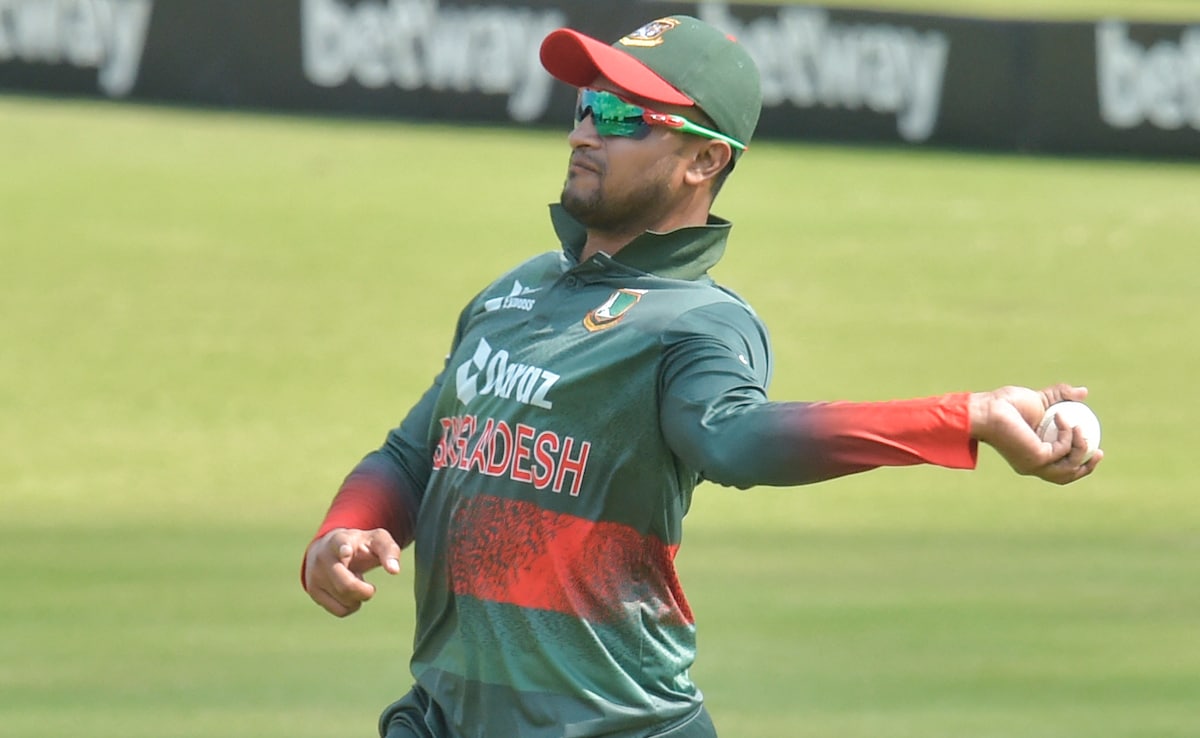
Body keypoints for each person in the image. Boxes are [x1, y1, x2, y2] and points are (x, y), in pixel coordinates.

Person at [301, 15, 1102, 738]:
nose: (585, 132)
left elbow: (737, 439)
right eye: (586, 105)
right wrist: (341, 531)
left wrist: (967, 415)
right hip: (443, 719)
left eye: (623, 116)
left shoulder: (697, 322)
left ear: (704, 159)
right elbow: (413, 456)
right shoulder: (512, 293)